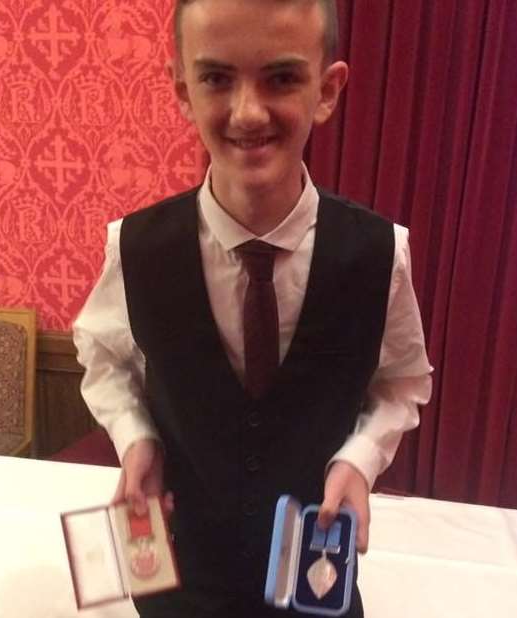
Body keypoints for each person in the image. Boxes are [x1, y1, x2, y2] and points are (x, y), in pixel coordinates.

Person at [73, 0, 432, 616]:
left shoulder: (379, 252)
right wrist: (137, 439)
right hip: (181, 579)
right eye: (216, 78)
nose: (247, 111)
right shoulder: (134, 247)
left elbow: (401, 384)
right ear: (183, 92)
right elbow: (103, 358)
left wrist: (358, 458)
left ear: (327, 89)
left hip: (315, 582)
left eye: (282, 77)